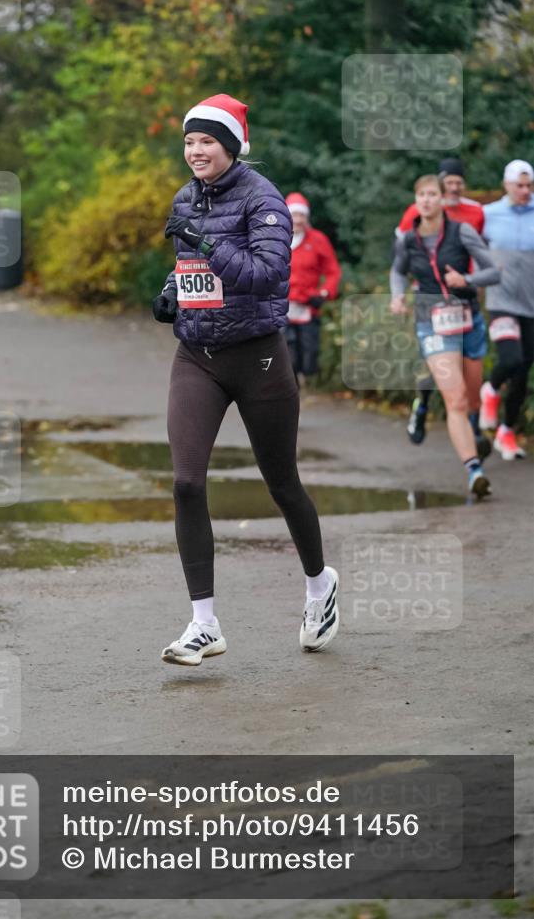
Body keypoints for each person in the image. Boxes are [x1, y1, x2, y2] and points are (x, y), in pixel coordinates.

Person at [152, 93, 338, 666]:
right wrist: (169, 296)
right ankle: (203, 624)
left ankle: (319, 586)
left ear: (231, 145)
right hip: (198, 355)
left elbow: (267, 276)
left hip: (258, 357)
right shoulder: (187, 197)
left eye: (206, 140)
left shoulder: (265, 201)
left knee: (281, 483)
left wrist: (207, 244)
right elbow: (190, 270)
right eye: (188, 141)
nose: (195, 151)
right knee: (186, 483)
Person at [390, 174, 500, 499]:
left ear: (441, 199)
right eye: (421, 194)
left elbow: (493, 272)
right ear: (416, 200)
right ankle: (474, 471)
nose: (426, 200)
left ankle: (474, 432)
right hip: (432, 323)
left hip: (468, 322)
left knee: (472, 398)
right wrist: (397, 296)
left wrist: (467, 279)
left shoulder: (462, 231)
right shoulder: (407, 240)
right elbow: (397, 270)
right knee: (456, 400)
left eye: (432, 194)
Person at [396, 157, 488, 452]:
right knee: (435, 368)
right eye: (448, 183)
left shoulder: (475, 213)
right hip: (429, 302)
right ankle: (421, 407)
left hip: (463, 298)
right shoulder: (417, 211)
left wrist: (472, 280)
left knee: (465, 375)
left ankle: (471, 423)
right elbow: (402, 254)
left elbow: (483, 249)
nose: (453, 188)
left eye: (458, 183)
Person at [479, 159, 534, 460]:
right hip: (501, 301)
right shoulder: (488, 215)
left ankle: (507, 432)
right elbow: (469, 245)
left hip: (531, 303)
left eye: (529, 186)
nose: (525, 191)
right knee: (510, 358)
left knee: (523, 371)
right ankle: (490, 388)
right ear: (506, 185)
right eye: (519, 185)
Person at [284, 192, 341, 389]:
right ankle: (290, 395)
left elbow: (333, 271)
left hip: (308, 308)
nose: (298, 220)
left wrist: (324, 293)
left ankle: (300, 380)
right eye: (294, 215)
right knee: (287, 358)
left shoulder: (317, 240)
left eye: (301, 216)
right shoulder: (277, 239)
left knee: (308, 360)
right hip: (282, 308)